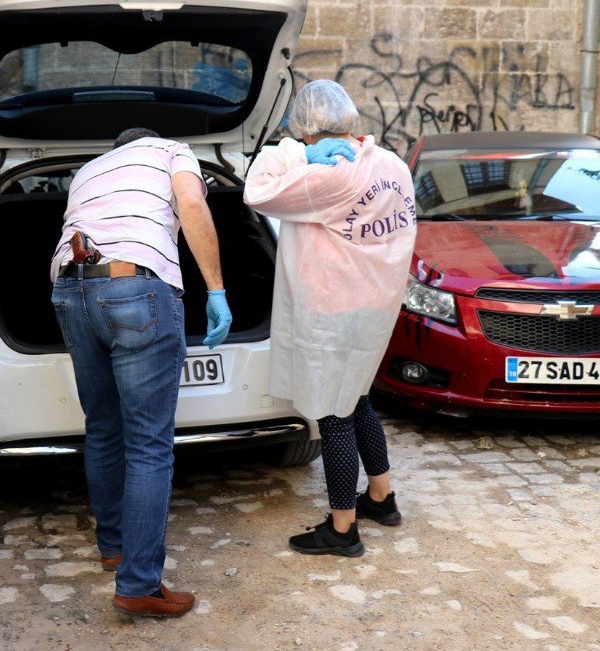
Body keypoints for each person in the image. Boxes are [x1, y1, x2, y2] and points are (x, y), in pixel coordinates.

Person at [50, 128, 233, 618]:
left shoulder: (88, 170)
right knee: (149, 442)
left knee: (103, 429)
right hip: (134, 290)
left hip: (71, 291)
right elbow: (192, 205)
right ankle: (139, 584)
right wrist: (215, 289)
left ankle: (114, 546)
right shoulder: (171, 150)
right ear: (149, 142)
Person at [243, 80, 416, 557]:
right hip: (377, 305)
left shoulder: (327, 176)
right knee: (358, 397)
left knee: (332, 415)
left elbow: (255, 192)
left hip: (331, 309)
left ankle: (343, 529)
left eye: (299, 137)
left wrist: (297, 158)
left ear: (304, 130)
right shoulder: (392, 166)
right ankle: (382, 498)